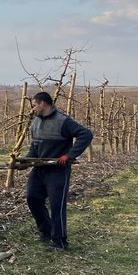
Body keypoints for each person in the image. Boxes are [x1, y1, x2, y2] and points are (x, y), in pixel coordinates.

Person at [24, 91, 93, 251]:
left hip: (57, 170)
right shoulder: (35, 122)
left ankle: (59, 242)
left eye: (34, 105)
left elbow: (86, 134)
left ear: (43, 103)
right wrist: (26, 161)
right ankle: (46, 231)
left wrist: (69, 155)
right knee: (32, 198)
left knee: (57, 205)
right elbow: (35, 146)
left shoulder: (63, 121)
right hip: (39, 168)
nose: (33, 108)